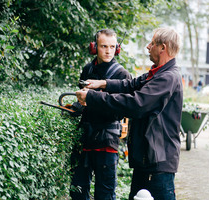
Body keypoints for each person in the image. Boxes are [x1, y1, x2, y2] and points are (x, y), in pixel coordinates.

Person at [76, 27, 183, 200]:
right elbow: (130, 85)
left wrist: (92, 97)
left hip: (158, 165)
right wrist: (102, 83)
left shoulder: (167, 77)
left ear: (163, 48)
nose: (148, 47)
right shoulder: (156, 73)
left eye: (152, 43)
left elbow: (136, 104)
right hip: (146, 161)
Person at [70, 29, 132, 200]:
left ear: (117, 49)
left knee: (105, 194)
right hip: (85, 138)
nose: (108, 51)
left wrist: (93, 99)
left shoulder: (122, 75)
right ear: (94, 47)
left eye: (112, 47)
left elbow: (121, 109)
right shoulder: (87, 69)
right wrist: (77, 106)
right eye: (104, 46)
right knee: (77, 191)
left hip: (107, 141)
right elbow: (83, 99)